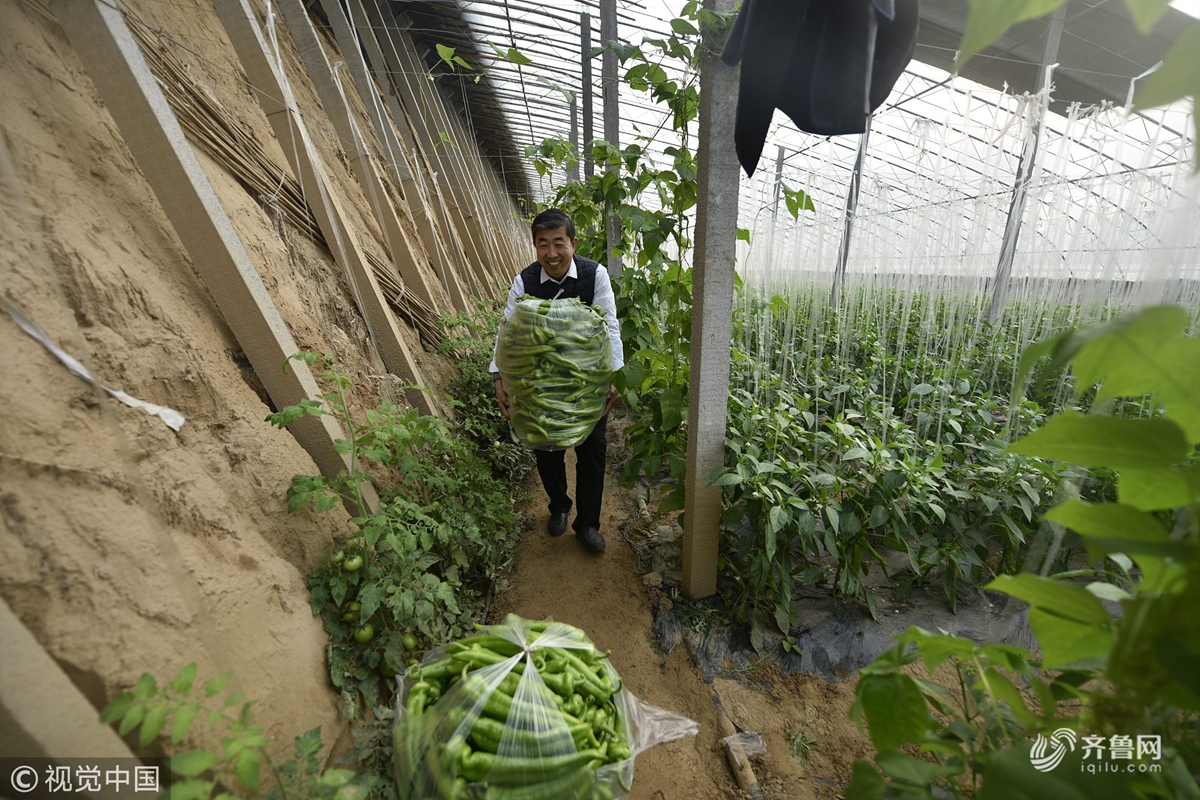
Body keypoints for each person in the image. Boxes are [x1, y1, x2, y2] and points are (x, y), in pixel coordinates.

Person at [489, 208, 623, 552]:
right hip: (539, 384)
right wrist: (499, 378)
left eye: (558, 243)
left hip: (586, 383)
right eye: (542, 244)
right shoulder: (525, 281)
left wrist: (612, 376)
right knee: (545, 447)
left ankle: (588, 524)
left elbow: (609, 324)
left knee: (592, 450)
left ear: (573, 243)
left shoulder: (595, 276)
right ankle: (560, 507)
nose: (551, 253)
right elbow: (507, 332)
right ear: (535, 246)